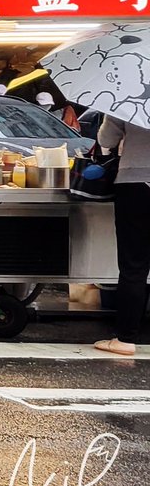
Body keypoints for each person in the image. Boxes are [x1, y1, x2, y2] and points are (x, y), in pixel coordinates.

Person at [94, 117, 150, 356]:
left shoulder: (128, 92)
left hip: (135, 183)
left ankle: (126, 338)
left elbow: (106, 139)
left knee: (134, 265)